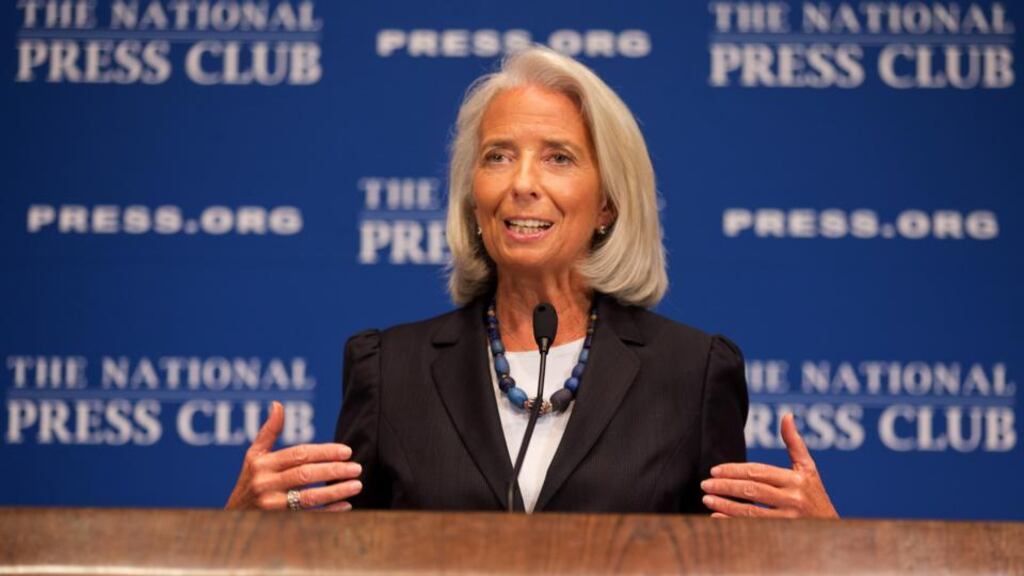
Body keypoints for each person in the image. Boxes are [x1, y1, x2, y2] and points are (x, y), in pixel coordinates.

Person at [226, 46, 838, 518]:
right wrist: (246, 525)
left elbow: (727, 565)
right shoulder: (389, 369)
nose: (521, 182)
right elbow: (337, 556)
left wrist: (825, 545)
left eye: (558, 157)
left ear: (608, 204)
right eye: (497, 156)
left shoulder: (692, 372)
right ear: (473, 199)